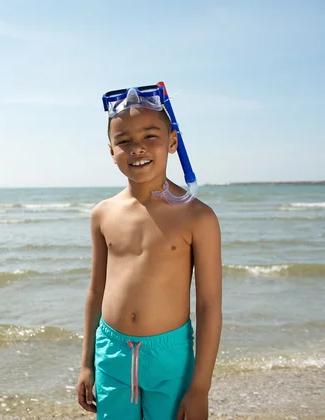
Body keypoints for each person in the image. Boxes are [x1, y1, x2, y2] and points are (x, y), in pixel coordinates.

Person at [77, 84, 223, 419]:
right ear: (111, 150)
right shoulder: (103, 213)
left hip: (170, 358)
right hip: (111, 353)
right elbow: (96, 290)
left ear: (172, 141)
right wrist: (86, 364)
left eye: (150, 136)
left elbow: (209, 304)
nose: (136, 148)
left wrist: (200, 388)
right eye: (124, 141)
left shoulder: (197, 217)